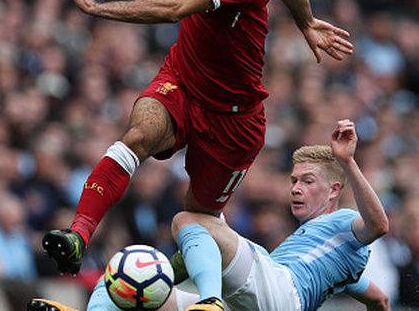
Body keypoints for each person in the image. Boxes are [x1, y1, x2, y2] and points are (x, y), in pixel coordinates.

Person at [43, 0, 353, 310]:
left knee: (197, 222)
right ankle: (78, 235)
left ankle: (181, 302)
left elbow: (173, 7)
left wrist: (96, 7)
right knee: (137, 137)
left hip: (234, 122)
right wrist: (305, 21)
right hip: (182, 83)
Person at [31, 119, 390, 311]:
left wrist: (347, 161)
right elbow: (379, 299)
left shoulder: (343, 223)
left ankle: (209, 302)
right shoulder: (338, 260)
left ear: (334, 190)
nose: (295, 188)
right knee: (128, 279)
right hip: (256, 301)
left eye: (307, 181)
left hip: (281, 293)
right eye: (294, 180)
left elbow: (378, 224)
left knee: (188, 220)